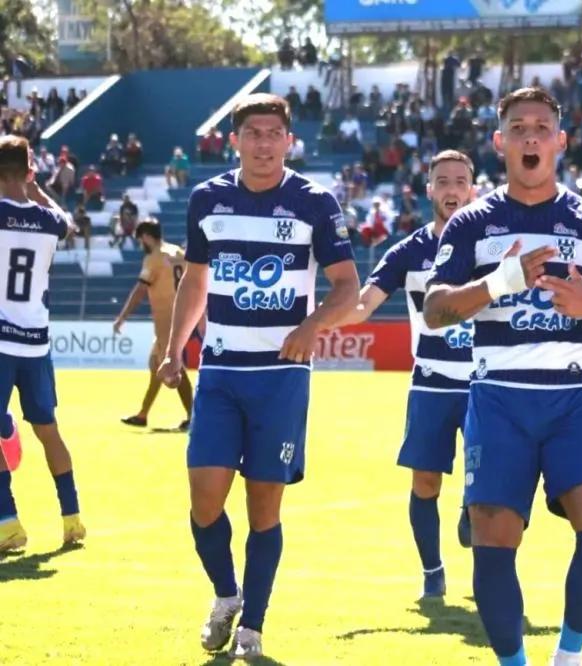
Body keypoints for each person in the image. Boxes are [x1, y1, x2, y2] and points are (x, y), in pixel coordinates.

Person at [422, 87, 582, 666]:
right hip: (499, 399)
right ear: (500, 142)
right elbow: (435, 310)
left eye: (542, 127)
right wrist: (499, 282)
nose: (531, 136)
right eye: (519, 128)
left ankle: (568, 658)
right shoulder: (470, 224)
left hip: (576, 396)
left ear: (561, 141)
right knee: (493, 544)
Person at [155, 93, 360, 659]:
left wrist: (313, 325)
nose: (264, 143)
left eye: (274, 133)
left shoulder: (315, 203)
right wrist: (175, 349)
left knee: (264, 506)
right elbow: (195, 282)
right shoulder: (207, 199)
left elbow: (348, 286)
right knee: (204, 500)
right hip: (220, 370)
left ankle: (253, 628)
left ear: (288, 141)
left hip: (282, 376)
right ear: (236, 139)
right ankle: (226, 596)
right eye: (253, 133)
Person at [332, 150, 477, 598]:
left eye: (460, 181)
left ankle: (474, 511)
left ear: (472, 188)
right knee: (425, 482)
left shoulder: (493, 243)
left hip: (487, 384)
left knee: (491, 485)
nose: (452, 189)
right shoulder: (408, 252)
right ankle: (432, 571)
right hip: (431, 382)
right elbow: (363, 305)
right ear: (428, 189)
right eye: (443, 181)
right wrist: (318, 319)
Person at [0, 137, 85, 553]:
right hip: (35, 343)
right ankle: (72, 518)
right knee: (49, 432)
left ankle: (8, 522)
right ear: (30, 172)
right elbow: (68, 222)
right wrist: (35, 191)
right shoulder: (49, 222)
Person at [113, 219, 193, 430]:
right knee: (155, 365)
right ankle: (143, 414)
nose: (141, 244)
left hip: (167, 320)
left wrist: (122, 317)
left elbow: (140, 290)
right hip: (181, 314)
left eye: (141, 239)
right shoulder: (178, 252)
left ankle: (194, 415)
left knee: (174, 366)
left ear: (146, 236)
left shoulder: (154, 258)